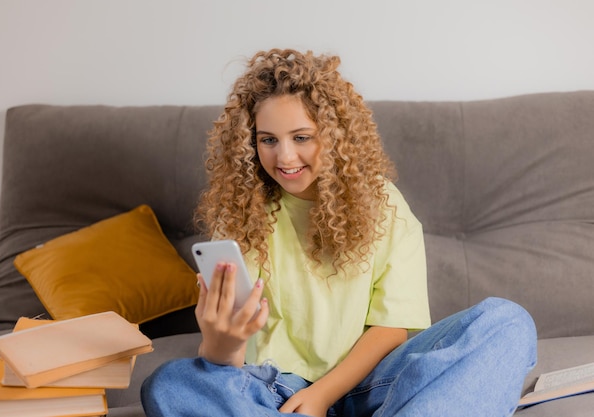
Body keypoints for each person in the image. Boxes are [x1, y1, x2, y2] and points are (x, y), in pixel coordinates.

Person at [141, 48, 537, 417]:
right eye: (268, 140)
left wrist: (324, 394)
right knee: (169, 385)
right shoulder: (241, 210)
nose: (285, 157)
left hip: (373, 382)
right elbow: (230, 364)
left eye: (301, 137)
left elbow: (391, 329)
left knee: (507, 321)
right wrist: (219, 343)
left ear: (334, 136)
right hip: (276, 391)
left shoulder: (384, 203)